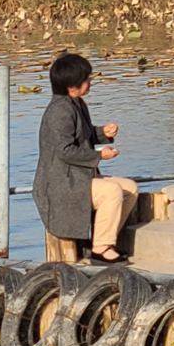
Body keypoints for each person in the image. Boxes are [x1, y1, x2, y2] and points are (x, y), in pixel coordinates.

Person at [32, 52, 137, 264]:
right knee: (111, 191)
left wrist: (103, 133)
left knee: (130, 188)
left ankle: (101, 240)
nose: (90, 83)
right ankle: (101, 249)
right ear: (72, 87)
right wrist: (100, 155)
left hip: (79, 177)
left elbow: (83, 135)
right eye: (86, 80)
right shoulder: (60, 111)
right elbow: (65, 151)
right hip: (61, 184)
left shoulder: (77, 104)